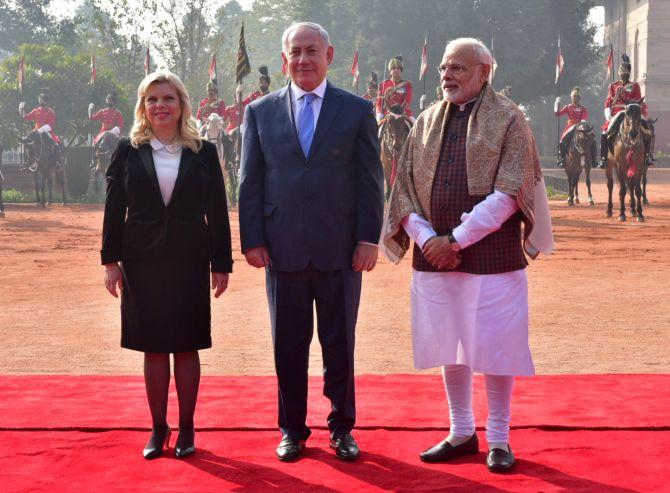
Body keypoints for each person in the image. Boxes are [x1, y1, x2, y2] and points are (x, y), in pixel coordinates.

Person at [382, 38, 553, 473]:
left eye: (458, 67)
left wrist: (453, 240)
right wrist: (427, 240)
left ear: (484, 72)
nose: (446, 75)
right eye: (443, 67)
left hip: (491, 258)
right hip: (433, 257)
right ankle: (461, 432)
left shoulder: (510, 119)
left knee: (496, 347)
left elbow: (511, 193)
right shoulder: (423, 121)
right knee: (449, 344)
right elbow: (403, 192)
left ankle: (498, 438)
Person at [239, 22, 384, 462]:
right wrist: (253, 239)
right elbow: (250, 181)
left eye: (312, 51)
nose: (303, 59)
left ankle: (341, 427)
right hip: (282, 250)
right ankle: (292, 429)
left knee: (340, 342)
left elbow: (370, 180)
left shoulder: (357, 110)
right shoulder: (259, 112)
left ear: (329, 54)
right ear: (285, 59)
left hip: (341, 249)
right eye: (295, 52)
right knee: (288, 344)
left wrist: (367, 238)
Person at [101, 70, 233, 460]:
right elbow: (114, 208)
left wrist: (221, 263)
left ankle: (188, 426)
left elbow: (218, 213)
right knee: (154, 348)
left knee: (187, 345)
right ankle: (159, 427)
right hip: (141, 262)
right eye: (152, 99)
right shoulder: (128, 149)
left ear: (181, 105)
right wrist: (110, 260)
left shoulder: (203, 151)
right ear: (143, 106)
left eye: (168, 98)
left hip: (190, 259)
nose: (160, 105)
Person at [598, 54, 652, 168]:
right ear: (619, 73)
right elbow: (609, 101)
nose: (624, 74)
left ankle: (647, 156)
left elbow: (638, 99)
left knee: (647, 130)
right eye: (622, 72)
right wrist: (609, 109)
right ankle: (603, 159)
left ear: (629, 73)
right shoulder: (613, 86)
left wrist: (639, 111)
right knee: (605, 133)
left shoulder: (634, 85)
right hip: (617, 111)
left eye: (626, 72)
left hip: (632, 111)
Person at [554, 87, 591, 168]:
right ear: (571, 97)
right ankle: (563, 159)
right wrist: (556, 103)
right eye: (574, 97)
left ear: (579, 98)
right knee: (562, 141)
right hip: (570, 125)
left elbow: (584, 118)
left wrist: (582, 124)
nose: (575, 98)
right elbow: (557, 114)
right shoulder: (568, 107)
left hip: (580, 125)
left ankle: (593, 159)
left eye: (577, 97)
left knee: (590, 138)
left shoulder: (582, 108)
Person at [376, 55, 414, 122]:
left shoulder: (407, 85)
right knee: (374, 128)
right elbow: (379, 103)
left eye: (398, 69)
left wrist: (400, 111)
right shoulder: (383, 85)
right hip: (386, 113)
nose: (396, 70)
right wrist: (379, 113)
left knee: (416, 125)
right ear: (390, 71)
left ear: (401, 71)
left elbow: (407, 102)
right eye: (393, 69)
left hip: (403, 112)